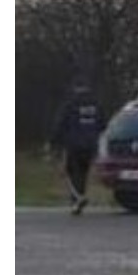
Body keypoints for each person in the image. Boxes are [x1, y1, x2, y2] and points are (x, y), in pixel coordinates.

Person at [51, 85, 104, 215]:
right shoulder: (96, 106)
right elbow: (103, 124)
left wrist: (54, 142)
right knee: (83, 173)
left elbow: (60, 123)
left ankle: (78, 198)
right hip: (91, 144)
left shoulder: (70, 105)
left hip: (74, 144)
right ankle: (79, 197)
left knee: (72, 172)